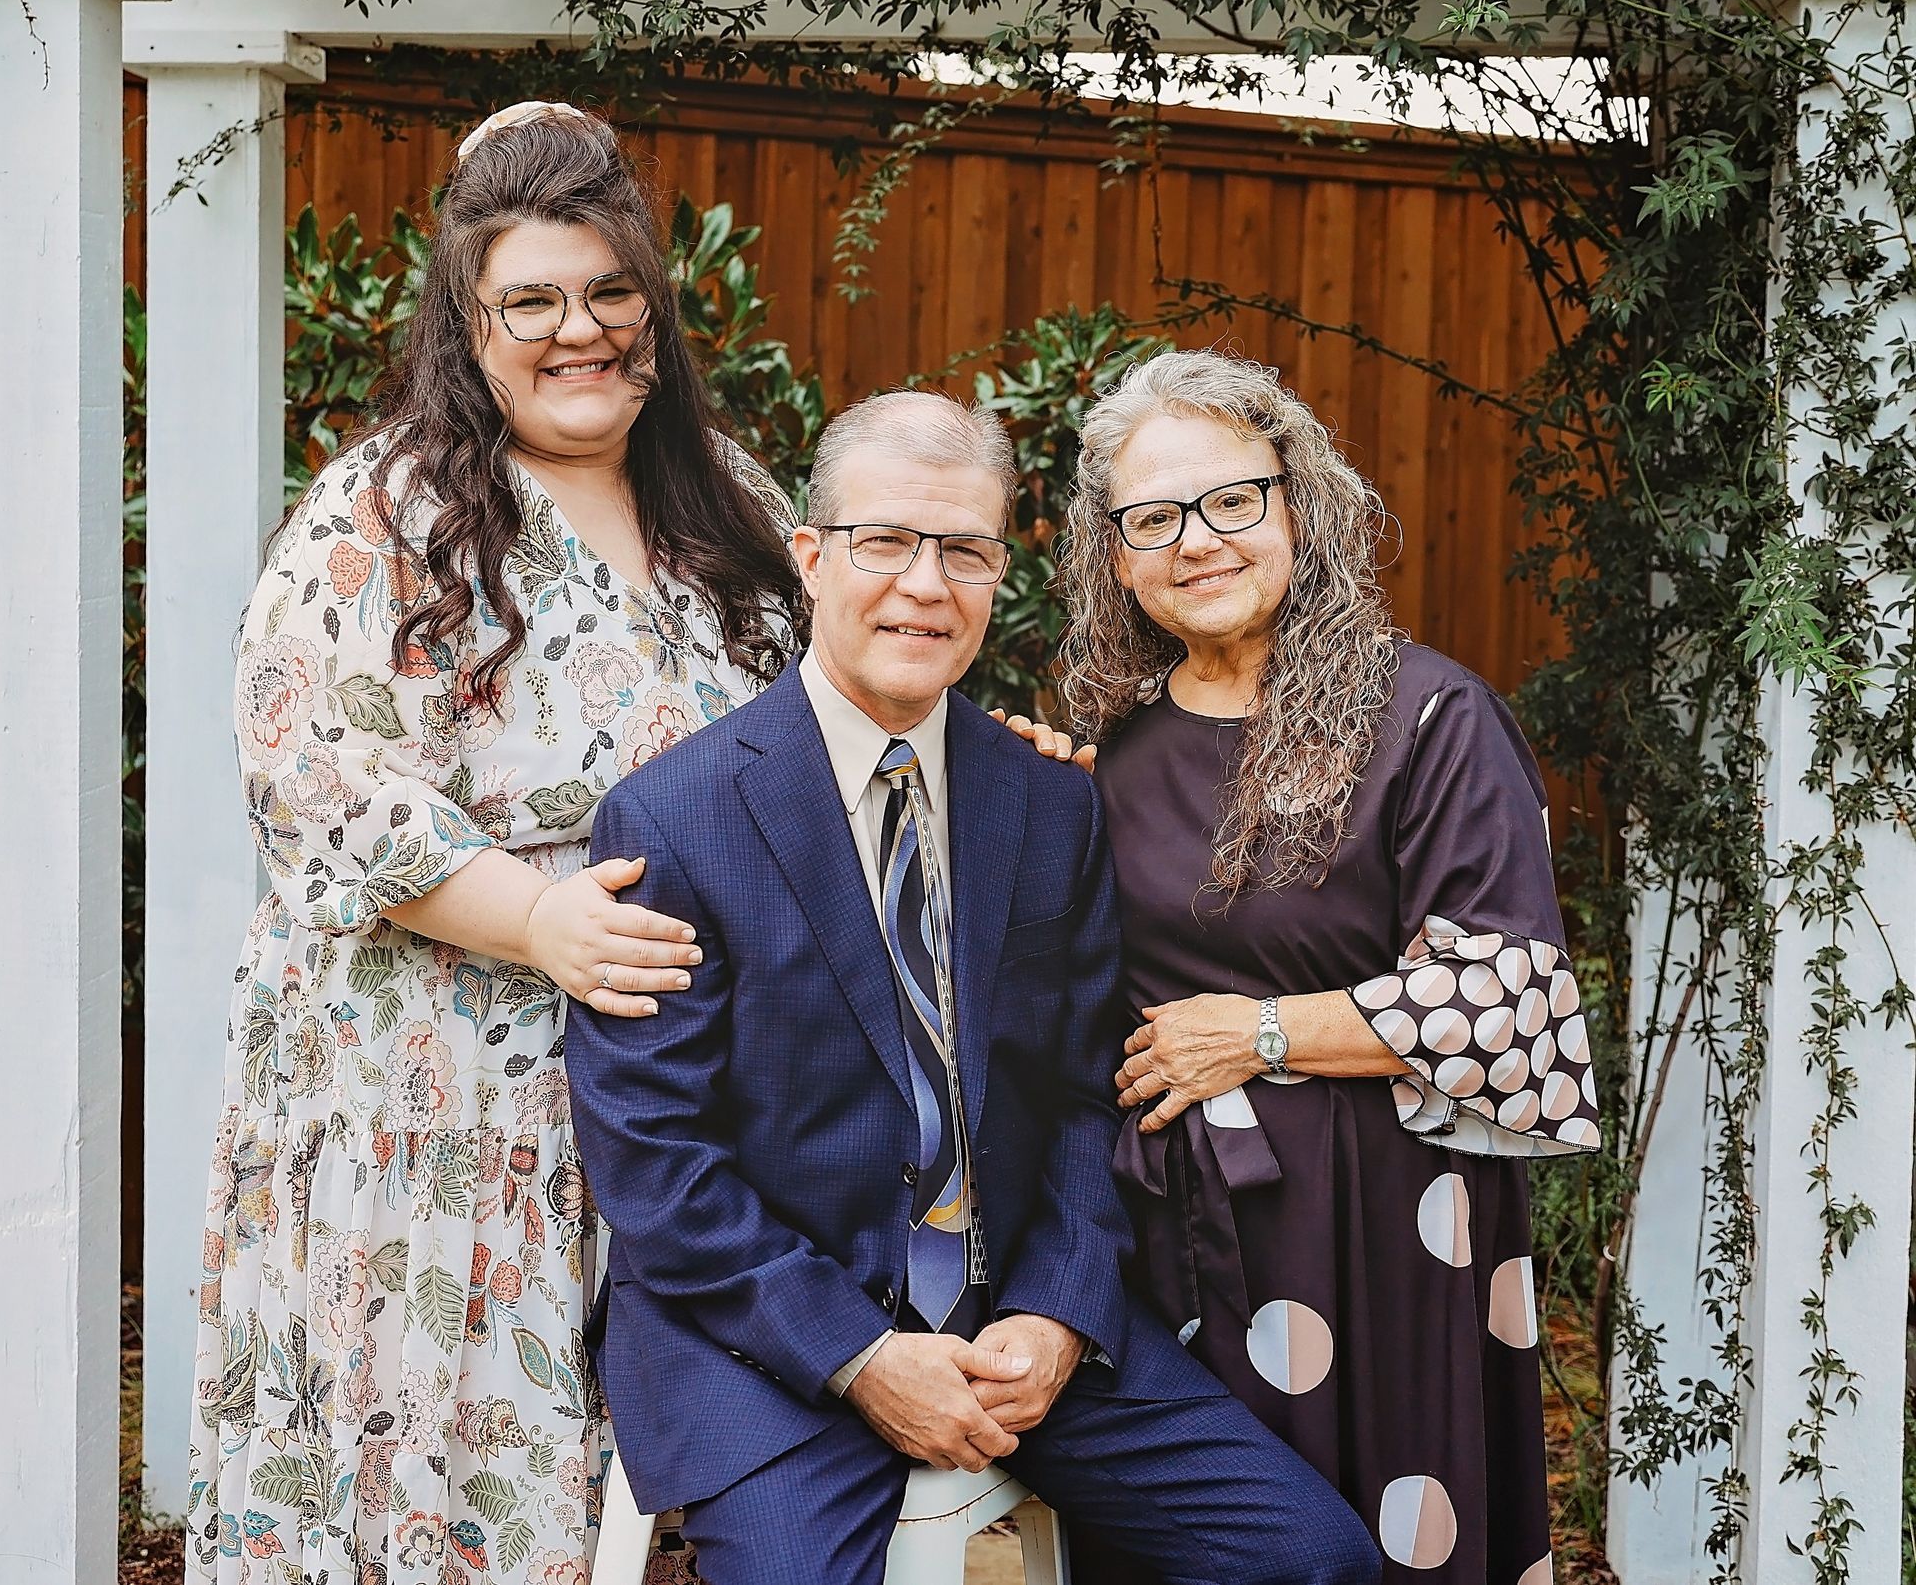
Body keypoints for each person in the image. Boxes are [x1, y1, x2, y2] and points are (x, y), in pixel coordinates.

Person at [565, 392, 1381, 1585]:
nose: (924, 585)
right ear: (810, 557)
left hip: (1013, 1322)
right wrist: (862, 1356)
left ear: (1003, 569)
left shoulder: (1047, 800)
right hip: (773, 1339)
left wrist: (1055, 1311)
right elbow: (657, 1164)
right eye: (886, 541)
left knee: (1311, 1561)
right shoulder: (676, 820)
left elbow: (1083, 1092)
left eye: (965, 550)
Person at [188, 102, 805, 1585]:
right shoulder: (383, 510)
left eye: (609, 294)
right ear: (467, 324)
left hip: (681, 1085)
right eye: (530, 300)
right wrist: (539, 922)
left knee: (646, 1486)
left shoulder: (734, 499)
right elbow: (313, 769)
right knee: (442, 1447)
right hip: (434, 1089)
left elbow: (849, 709)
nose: (577, 331)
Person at [1054, 348, 1600, 1585]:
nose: (1197, 540)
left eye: (1231, 499)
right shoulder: (1113, 746)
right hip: (1177, 1237)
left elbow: (1513, 1001)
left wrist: (1256, 1033)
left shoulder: (1428, 718)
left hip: (1394, 1232)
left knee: (1393, 1538)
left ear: (1299, 499)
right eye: (1154, 517)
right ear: (1116, 552)